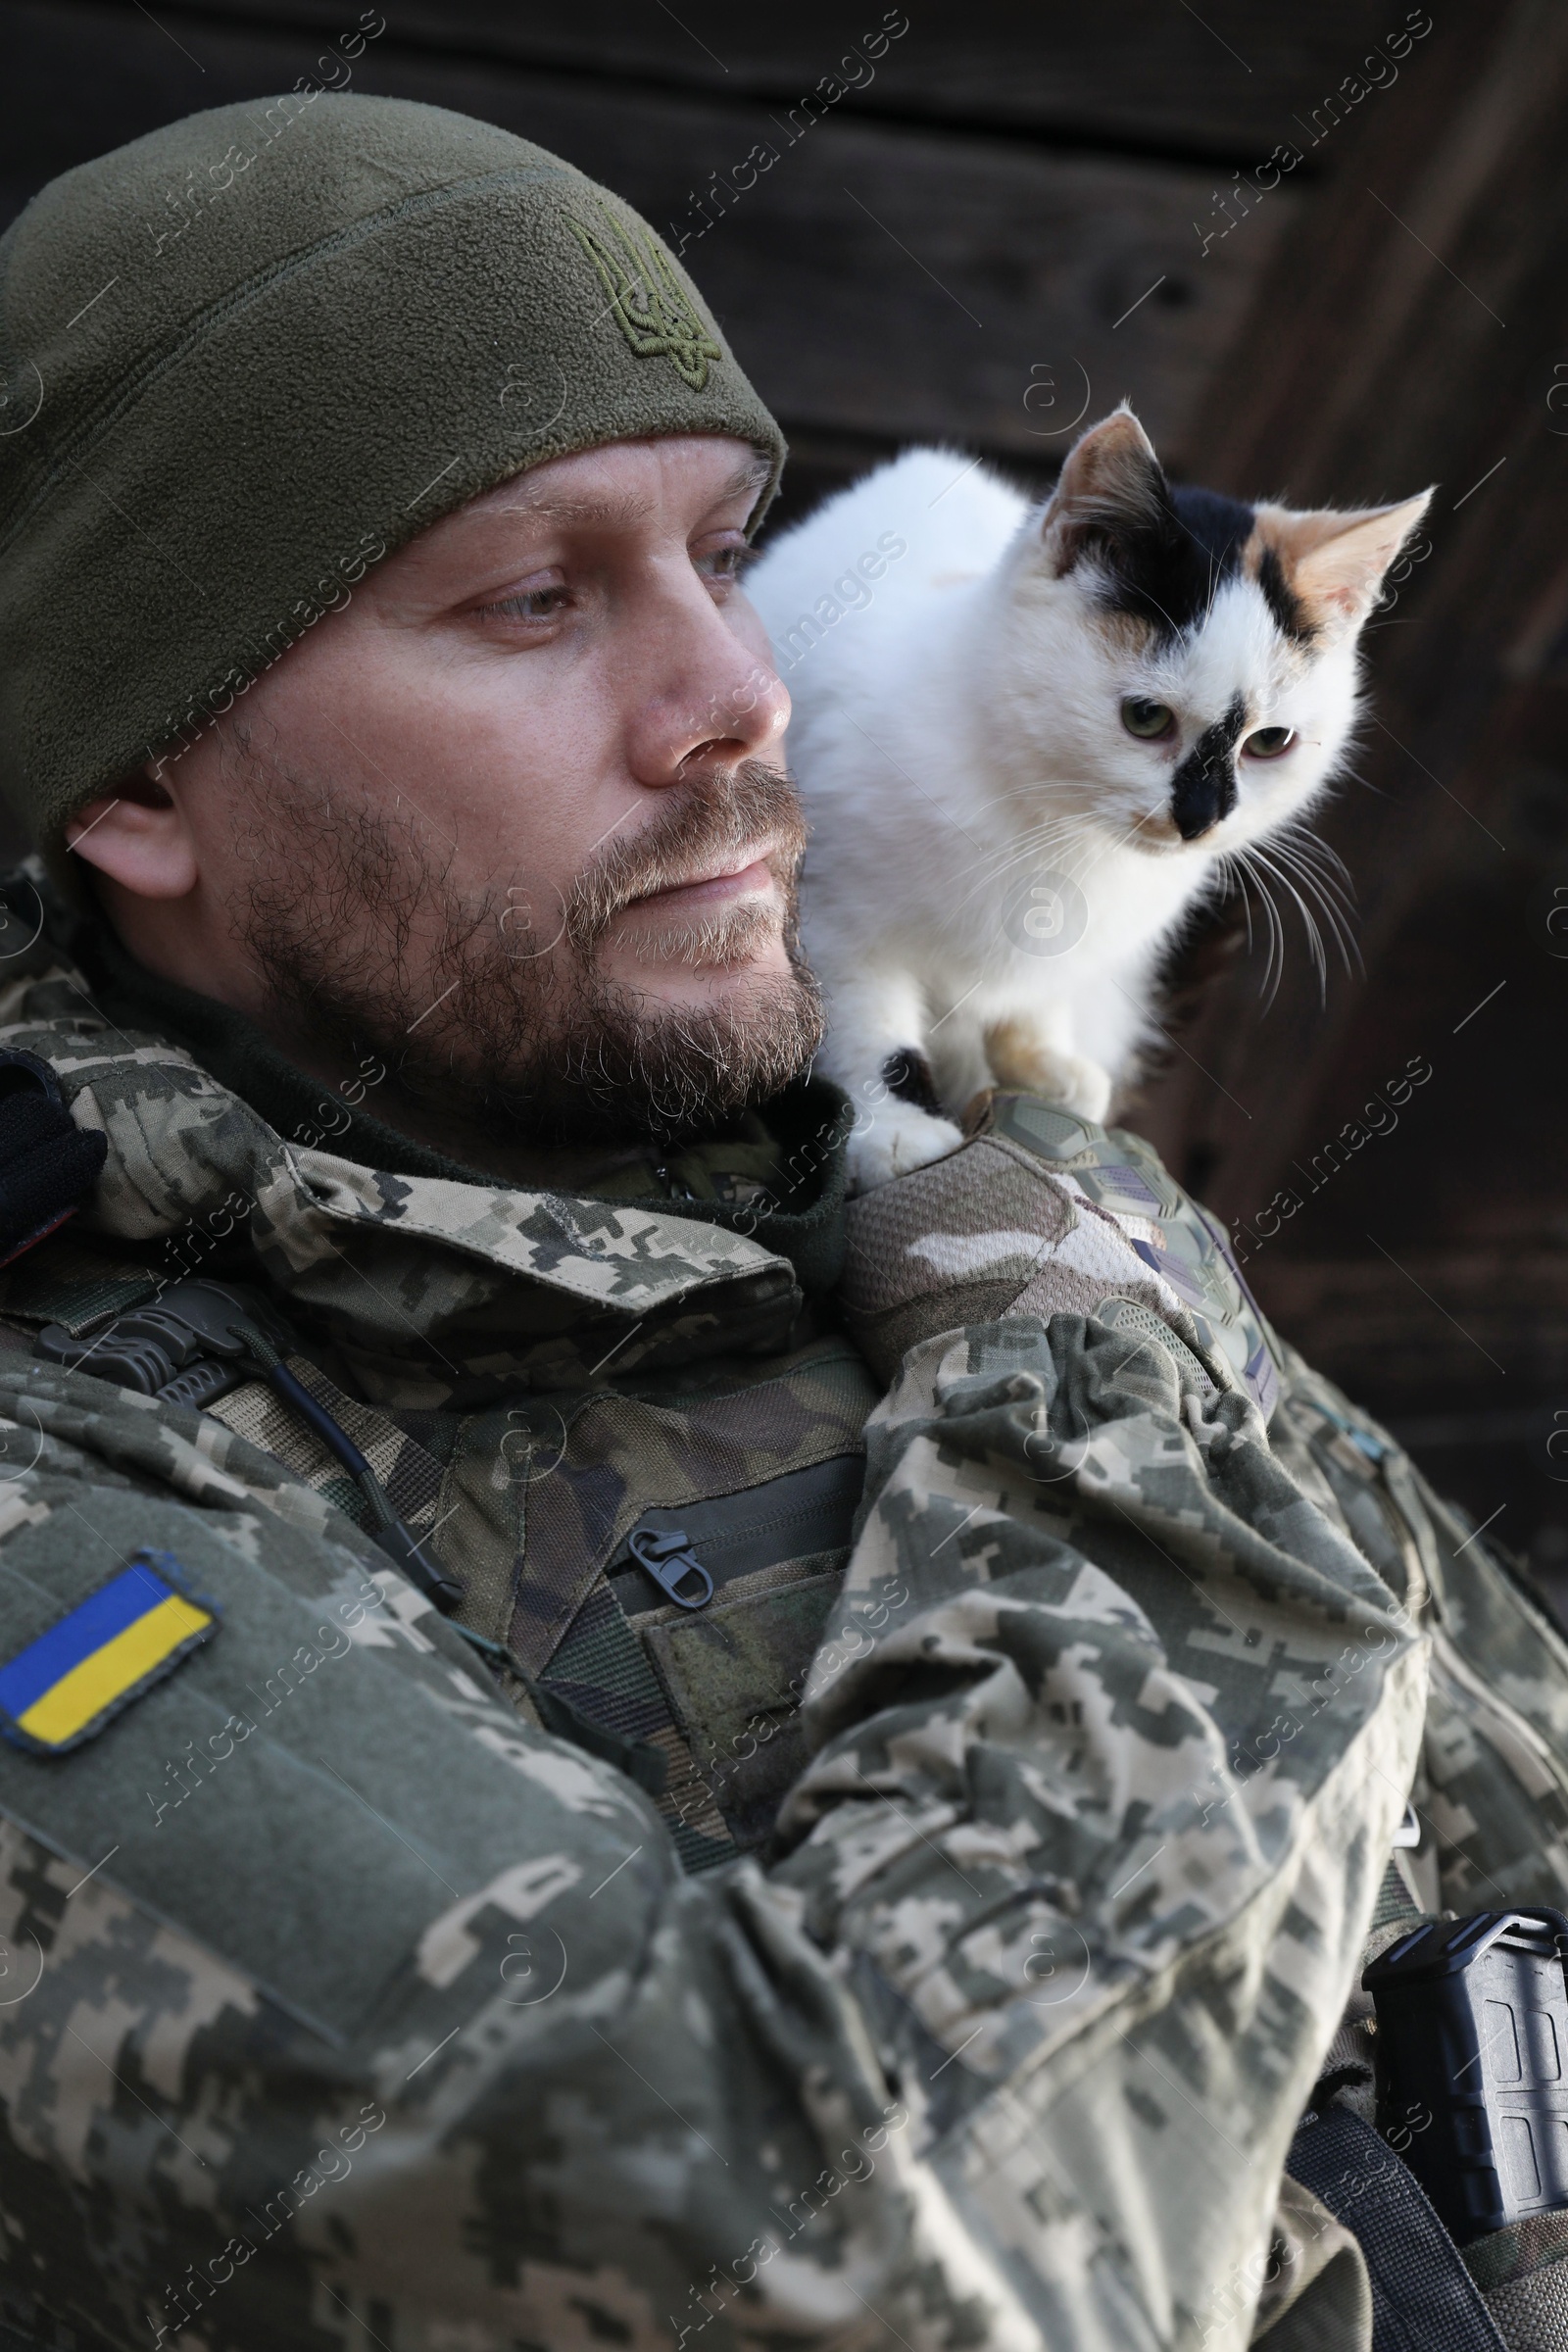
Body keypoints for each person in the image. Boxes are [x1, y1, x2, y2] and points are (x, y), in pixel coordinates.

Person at [0, 89, 1559, 2352]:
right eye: (536, 600)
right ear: (140, 779)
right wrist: (1064, 1339)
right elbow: (860, 2265)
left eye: (725, 553)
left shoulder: (882, 1136)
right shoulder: (77, 1474)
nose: (735, 698)